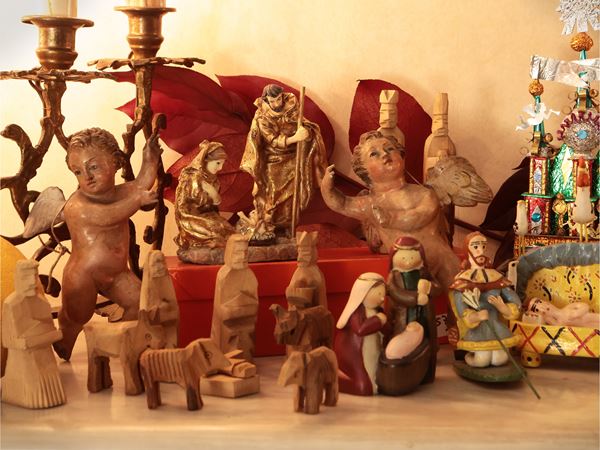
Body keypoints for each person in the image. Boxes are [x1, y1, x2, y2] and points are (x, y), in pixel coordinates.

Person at [54, 127, 161, 361]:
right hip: (82, 275)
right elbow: (109, 215)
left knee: (140, 302)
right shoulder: (76, 206)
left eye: (93, 167)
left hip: (117, 273)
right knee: (77, 316)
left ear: (115, 162)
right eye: (78, 172)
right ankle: (64, 340)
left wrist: (150, 159)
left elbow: (141, 184)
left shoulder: (120, 193)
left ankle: (117, 339)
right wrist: (137, 200)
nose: (87, 177)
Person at [321, 130, 459, 290]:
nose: (385, 154)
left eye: (390, 149)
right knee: (409, 298)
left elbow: (420, 215)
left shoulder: (424, 194)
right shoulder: (370, 203)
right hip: (405, 266)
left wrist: (390, 218)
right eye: (374, 154)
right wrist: (327, 189)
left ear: (402, 156)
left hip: (439, 257)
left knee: (460, 290)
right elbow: (342, 204)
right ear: (364, 170)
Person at [240, 84, 327, 238]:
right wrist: (294, 138)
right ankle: (269, 224)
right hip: (273, 160)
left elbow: (306, 126)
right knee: (274, 194)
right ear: (266, 100)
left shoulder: (292, 109)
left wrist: (306, 133)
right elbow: (272, 139)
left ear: (282, 96)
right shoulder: (262, 117)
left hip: (293, 159)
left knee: (290, 197)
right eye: (272, 101)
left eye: (278, 99)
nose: (276, 103)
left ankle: (287, 226)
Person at [450, 232, 521, 368]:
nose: (481, 251)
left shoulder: (496, 277)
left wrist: (504, 309)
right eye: (475, 247)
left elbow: (514, 300)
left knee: (500, 359)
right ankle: (468, 358)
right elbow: (461, 308)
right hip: (477, 330)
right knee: (482, 361)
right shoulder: (463, 280)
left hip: (496, 327)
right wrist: (476, 316)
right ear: (467, 250)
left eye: (483, 246)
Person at [2, 260, 66, 408]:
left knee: (50, 384)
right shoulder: (11, 305)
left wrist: (42, 337)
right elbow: (8, 340)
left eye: (35, 276)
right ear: (17, 279)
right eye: (26, 277)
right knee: (33, 388)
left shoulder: (42, 302)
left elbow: (52, 330)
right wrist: (30, 340)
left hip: (45, 360)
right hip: (24, 363)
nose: (32, 282)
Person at [386, 236, 440, 382]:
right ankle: (405, 377)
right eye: (403, 257)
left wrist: (429, 288)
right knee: (403, 346)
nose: (408, 261)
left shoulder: (424, 272)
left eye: (412, 256)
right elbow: (395, 292)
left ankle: (426, 374)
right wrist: (416, 298)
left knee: (426, 343)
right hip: (404, 316)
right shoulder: (394, 276)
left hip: (424, 316)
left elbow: (438, 287)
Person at [334, 272, 389, 396]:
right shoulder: (356, 312)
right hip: (357, 355)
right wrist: (378, 320)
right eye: (378, 294)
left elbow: (386, 331)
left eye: (383, 294)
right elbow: (360, 330)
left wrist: (384, 323)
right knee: (364, 387)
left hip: (374, 352)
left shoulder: (378, 311)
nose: (382, 298)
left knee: (376, 374)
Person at [174, 140, 235, 249]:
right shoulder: (192, 178)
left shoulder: (214, 181)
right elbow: (187, 204)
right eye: (218, 163)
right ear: (206, 160)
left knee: (228, 230)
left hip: (209, 215)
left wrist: (212, 192)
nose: (220, 168)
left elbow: (215, 202)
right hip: (190, 217)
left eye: (222, 164)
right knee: (213, 231)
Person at [210, 234, 259, 361]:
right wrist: (234, 310)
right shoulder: (224, 275)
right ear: (229, 253)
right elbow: (220, 310)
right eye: (238, 253)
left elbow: (255, 304)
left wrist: (244, 309)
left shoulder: (249, 275)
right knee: (229, 343)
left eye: (245, 252)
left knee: (246, 340)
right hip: (228, 326)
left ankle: (246, 360)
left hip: (245, 324)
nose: (242, 257)